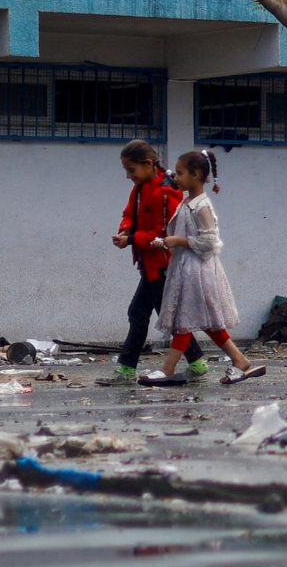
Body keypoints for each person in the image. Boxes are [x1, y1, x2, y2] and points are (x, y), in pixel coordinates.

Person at [143, 149, 263, 385]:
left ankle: (167, 369)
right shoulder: (189, 202)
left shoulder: (202, 206)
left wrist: (178, 241)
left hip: (198, 271)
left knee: (184, 321)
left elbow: (210, 243)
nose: (175, 177)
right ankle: (241, 361)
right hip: (186, 268)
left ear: (196, 175)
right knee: (207, 322)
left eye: (179, 173)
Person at [111, 138, 177, 381]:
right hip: (148, 265)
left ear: (148, 164)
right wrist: (125, 230)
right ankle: (199, 362)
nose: (129, 176)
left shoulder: (166, 192)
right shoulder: (140, 189)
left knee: (139, 313)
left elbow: (162, 234)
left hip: (161, 265)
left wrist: (130, 240)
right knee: (168, 319)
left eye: (131, 170)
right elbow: (129, 213)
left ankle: (126, 369)